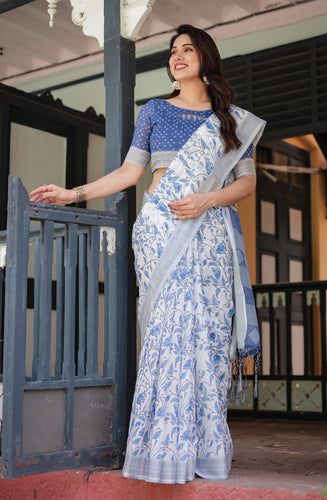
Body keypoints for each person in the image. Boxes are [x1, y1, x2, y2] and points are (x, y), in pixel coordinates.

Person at [30, 24, 265, 484]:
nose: (177, 56)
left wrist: (205, 200)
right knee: (169, 336)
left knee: (209, 337)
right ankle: (163, 450)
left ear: (206, 59)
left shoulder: (231, 120)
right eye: (172, 51)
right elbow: (128, 172)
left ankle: (202, 449)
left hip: (209, 232)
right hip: (161, 232)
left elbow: (247, 183)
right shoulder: (155, 110)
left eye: (188, 49)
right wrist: (73, 193)